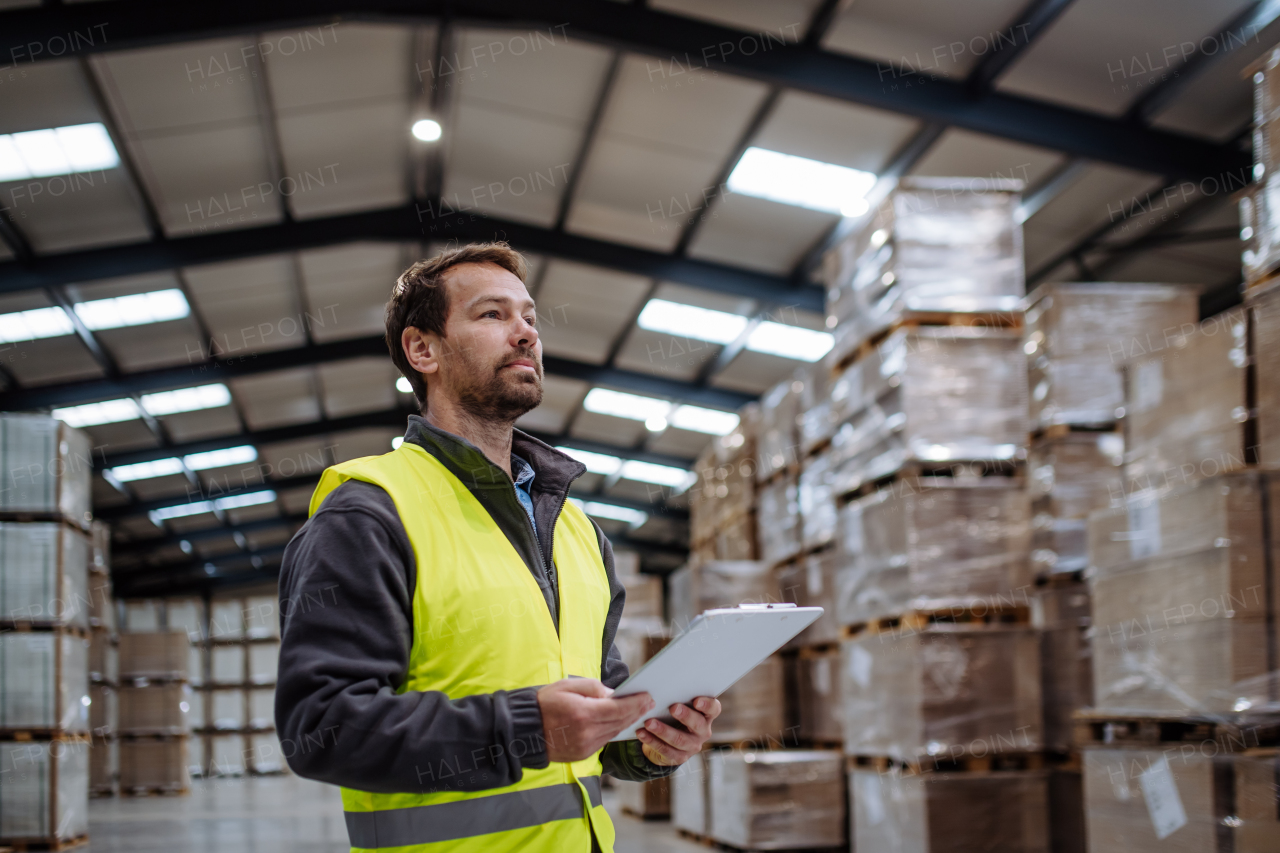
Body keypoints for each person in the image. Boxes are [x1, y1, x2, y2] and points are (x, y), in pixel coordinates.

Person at [275, 242, 721, 852]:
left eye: (530, 318)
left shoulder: (576, 530)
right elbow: (320, 728)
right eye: (492, 315)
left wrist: (649, 741)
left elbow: (599, 711)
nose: (525, 334)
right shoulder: (369, 514)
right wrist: (525, 728)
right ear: (421, 349)